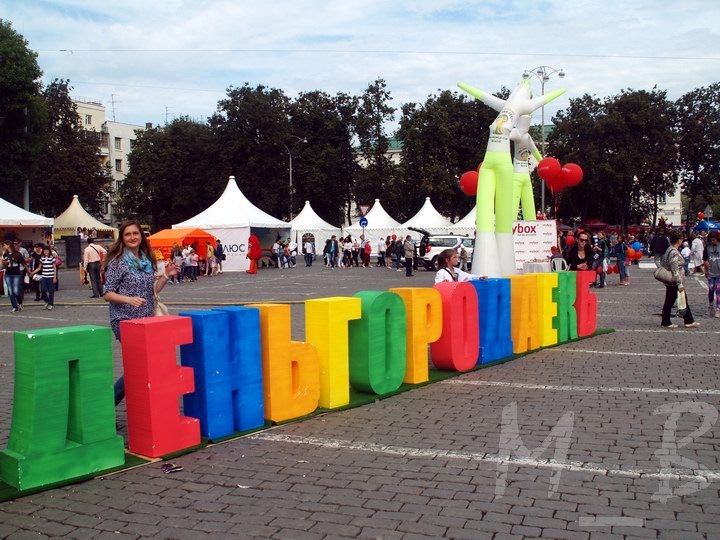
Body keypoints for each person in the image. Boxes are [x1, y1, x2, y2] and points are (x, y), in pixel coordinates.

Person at [102, 220, 178, 405]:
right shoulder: (117, 262)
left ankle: (142, 405)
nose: (132, 237)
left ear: (141, 236)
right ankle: (105, 406)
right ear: (122, 238)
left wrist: (167, 275)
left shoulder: (146, 260)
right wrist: (128, 299)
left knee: (144, 366)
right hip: (125, 320)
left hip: (146, 320)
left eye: (135, 233)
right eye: (127, 234)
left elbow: (152, 291)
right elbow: (107, 293)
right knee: (138, 367)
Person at [660, 229, 699, 329]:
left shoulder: (669, 249)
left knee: (674, 300)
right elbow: (674, 269)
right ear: (679, 240)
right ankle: (670, 321)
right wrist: (679, 283)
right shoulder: (673, 252)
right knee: (674, 301)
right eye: (681, 239)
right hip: (675, 281)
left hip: (672, 281)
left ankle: (687, 320)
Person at [2, 240, 29, 312]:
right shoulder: (5, 254)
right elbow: (4, 265)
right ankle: (14, 306)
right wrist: (4, 263)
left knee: (16, 290)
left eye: (5, 245)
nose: (4, 247)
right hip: (8, 273)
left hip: (16, 273)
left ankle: (20, 303)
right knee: (11, 291)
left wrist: (29, 272)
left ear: (8, 245)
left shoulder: (17, 254)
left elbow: (23, 263)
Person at [33, 244, 57, 310]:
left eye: (47, 251)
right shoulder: (42, 258)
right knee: (43, 289)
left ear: (49, 251)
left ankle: (50, 303)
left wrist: (55, 277)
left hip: (51, 276)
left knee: (51, 290)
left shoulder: (52, 258)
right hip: (44, 276)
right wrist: (33, 272)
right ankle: (47, 301)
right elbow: (39, 267)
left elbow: (54, 267)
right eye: (45, 251)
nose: (46, 252)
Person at [703, 231, 720, 318]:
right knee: (711, 290)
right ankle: (711, 307)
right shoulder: (707, 247)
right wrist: (705, 268)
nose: (712, 242)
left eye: (714, 240)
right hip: (710, 272)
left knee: (718, 291)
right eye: (711, 240)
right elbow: (705, 259)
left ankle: (718, 309)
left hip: (719, 273)